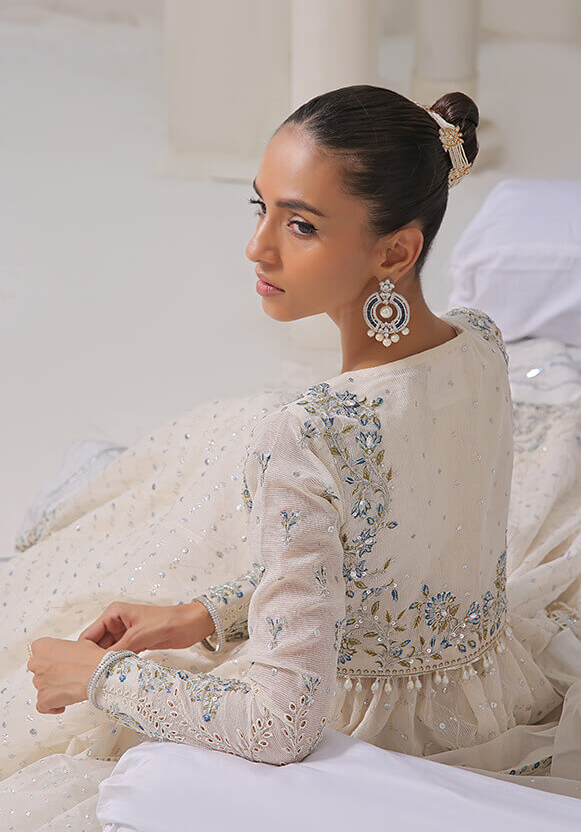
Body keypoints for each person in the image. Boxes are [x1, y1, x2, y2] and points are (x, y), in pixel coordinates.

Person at [2, 86, 580, 830]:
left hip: (366, 748)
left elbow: (281, 725)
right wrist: (200, 613)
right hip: (493, 700)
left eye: (300, 224)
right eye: (261, 208)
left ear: (395, 251)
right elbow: (380, 563)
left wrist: (102, 679)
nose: (258, 246)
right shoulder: (481, 342)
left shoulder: (308, 432)